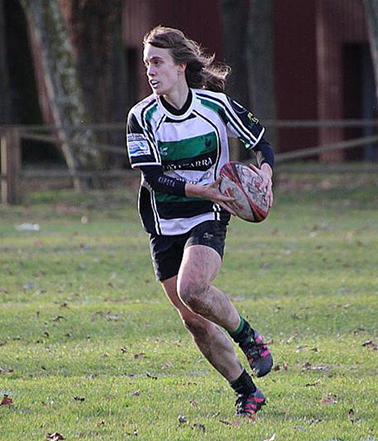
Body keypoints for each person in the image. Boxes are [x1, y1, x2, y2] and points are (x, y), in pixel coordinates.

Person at [125, 26, 275, 416]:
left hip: (208, 214)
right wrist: (204, 188)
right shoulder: (141, 117)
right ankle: (247, 392)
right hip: (162, 223)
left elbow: (260, 140)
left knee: (194, 288)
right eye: (147, 64)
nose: (150, 72)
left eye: (157, 63)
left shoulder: (215, 107)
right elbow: (154, 178)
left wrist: (266, 176)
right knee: (194, 321)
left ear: (180, 66)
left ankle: (250, 338)